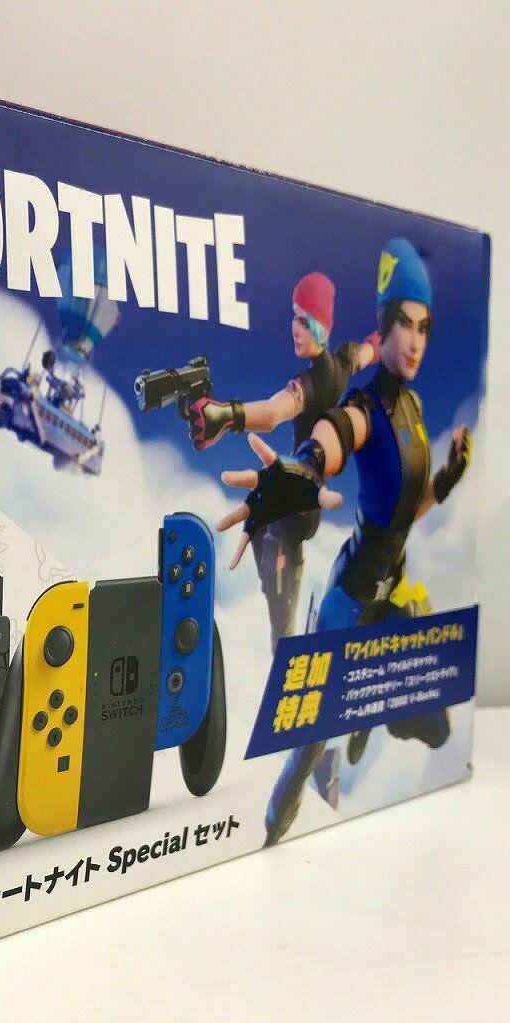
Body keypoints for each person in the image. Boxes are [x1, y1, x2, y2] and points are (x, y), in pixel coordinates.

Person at [217, 239, 472, 845]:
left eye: (425, 328)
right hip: (351, 595)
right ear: (384, 328)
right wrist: (302, 468)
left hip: (391, 594)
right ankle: (271, 834)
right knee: (308, 742)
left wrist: (446, 479)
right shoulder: (367, 406)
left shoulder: (413, 406)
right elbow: (336, 434)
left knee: (436, 726)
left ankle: (366, 714)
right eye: (404, 324)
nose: (416, 340)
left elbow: (406, 509)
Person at [186, 272, 380, 649]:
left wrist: (227, 415)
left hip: (299, 508)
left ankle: (287, 628)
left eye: (305, 321)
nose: (295, 328)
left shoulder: (313, 384)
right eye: (294, 316)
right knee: (260, 517)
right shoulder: (342, 363)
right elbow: (367, 351)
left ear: (322, 328)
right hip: (301, 499)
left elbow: (274, 412)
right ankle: (286, 609)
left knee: (279, 601)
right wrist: (382, 338)